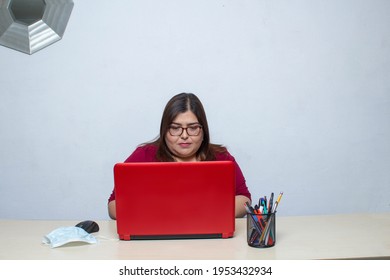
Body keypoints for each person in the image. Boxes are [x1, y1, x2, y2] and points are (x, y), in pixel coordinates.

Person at [108, 93, 251, 218]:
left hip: (209, 238)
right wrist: (162, 210)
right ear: (164, 130)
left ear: (203, 130)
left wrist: (199, 210)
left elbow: (245, 199)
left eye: (193, 128)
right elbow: (113, 205)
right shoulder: (143, 156)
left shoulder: (221, 158)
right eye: (175, 128)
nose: (184, 136)